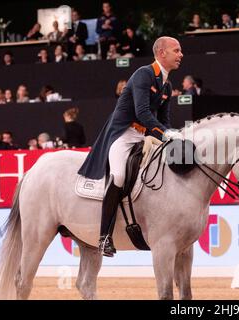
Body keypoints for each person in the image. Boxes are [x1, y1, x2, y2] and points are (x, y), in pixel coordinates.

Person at [77, 36, 183, 257]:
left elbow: (164, 119)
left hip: (144, 135)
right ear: (162, 52)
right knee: (118, 176)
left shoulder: (167, 84)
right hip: (123, 133)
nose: (180, 55)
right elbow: (143, 112)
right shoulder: (143, 74)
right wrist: (165, 135)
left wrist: (172, 136)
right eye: (176, 50)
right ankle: (104, 236)